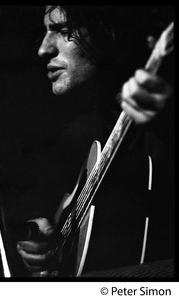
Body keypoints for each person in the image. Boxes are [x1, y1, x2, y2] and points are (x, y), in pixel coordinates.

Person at [14, 6, 174, 277]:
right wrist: (43, 246)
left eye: (64, 31)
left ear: (112, 33)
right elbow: (45, 229)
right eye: (45, 33)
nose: (43, 49)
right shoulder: (77, 135)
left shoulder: (163, 114)